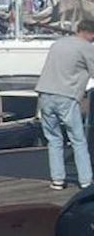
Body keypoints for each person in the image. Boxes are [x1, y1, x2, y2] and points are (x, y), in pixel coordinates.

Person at [35, 17, 94, 190]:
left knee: (54, 139)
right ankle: (86, 181)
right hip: (66, 96)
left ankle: (57, 180)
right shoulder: (86, 48)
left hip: (45, 93)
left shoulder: (58, 44)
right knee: (78, 140)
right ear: (90, 34)